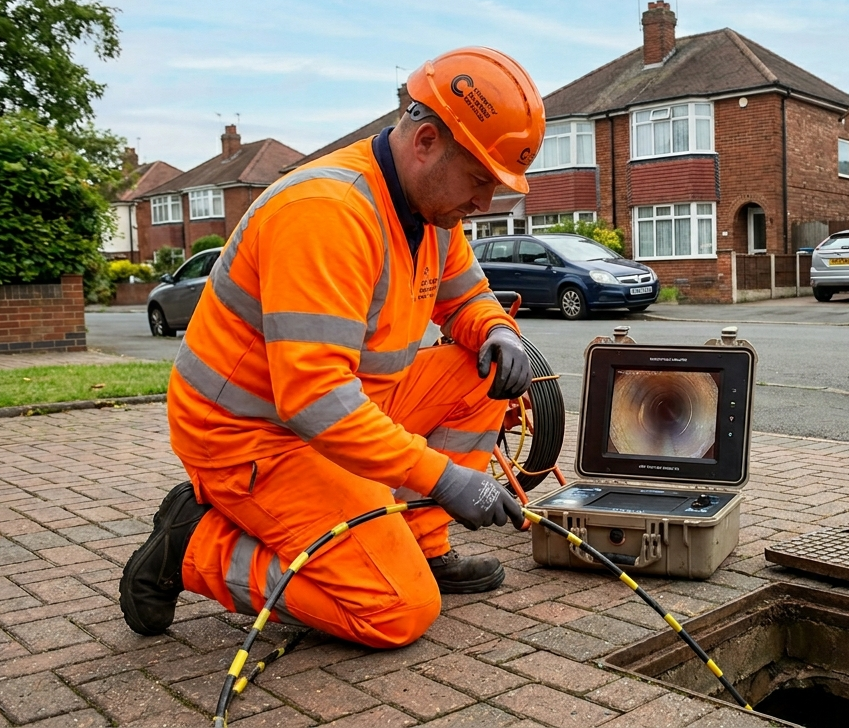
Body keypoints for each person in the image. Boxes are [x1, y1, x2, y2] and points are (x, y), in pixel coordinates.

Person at [119, 47, 546, 648]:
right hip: (251, 436)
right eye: (479, 180)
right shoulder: (327, 214)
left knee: (479, 373)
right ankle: (194, 546)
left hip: (337, 416)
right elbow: (315, 400)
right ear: (425, 142)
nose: (484, 204)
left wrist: (498, 331)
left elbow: (468, 296)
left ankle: (424, 545)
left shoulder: (432, 214)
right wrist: (442, 477)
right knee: (397, 611)